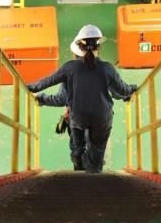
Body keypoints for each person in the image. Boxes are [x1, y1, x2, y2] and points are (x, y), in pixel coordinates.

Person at [27, 24, 136, 174]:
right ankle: (93, 172)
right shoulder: (107, 68)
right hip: (101, 118)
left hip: (78, 117)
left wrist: (31, 88)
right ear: (99, 46)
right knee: (97, 154)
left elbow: (46, 82)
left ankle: (79, 164)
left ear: (79, 46)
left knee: (77, 143)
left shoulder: (69, 68)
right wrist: (133, 89)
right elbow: (122, 90)